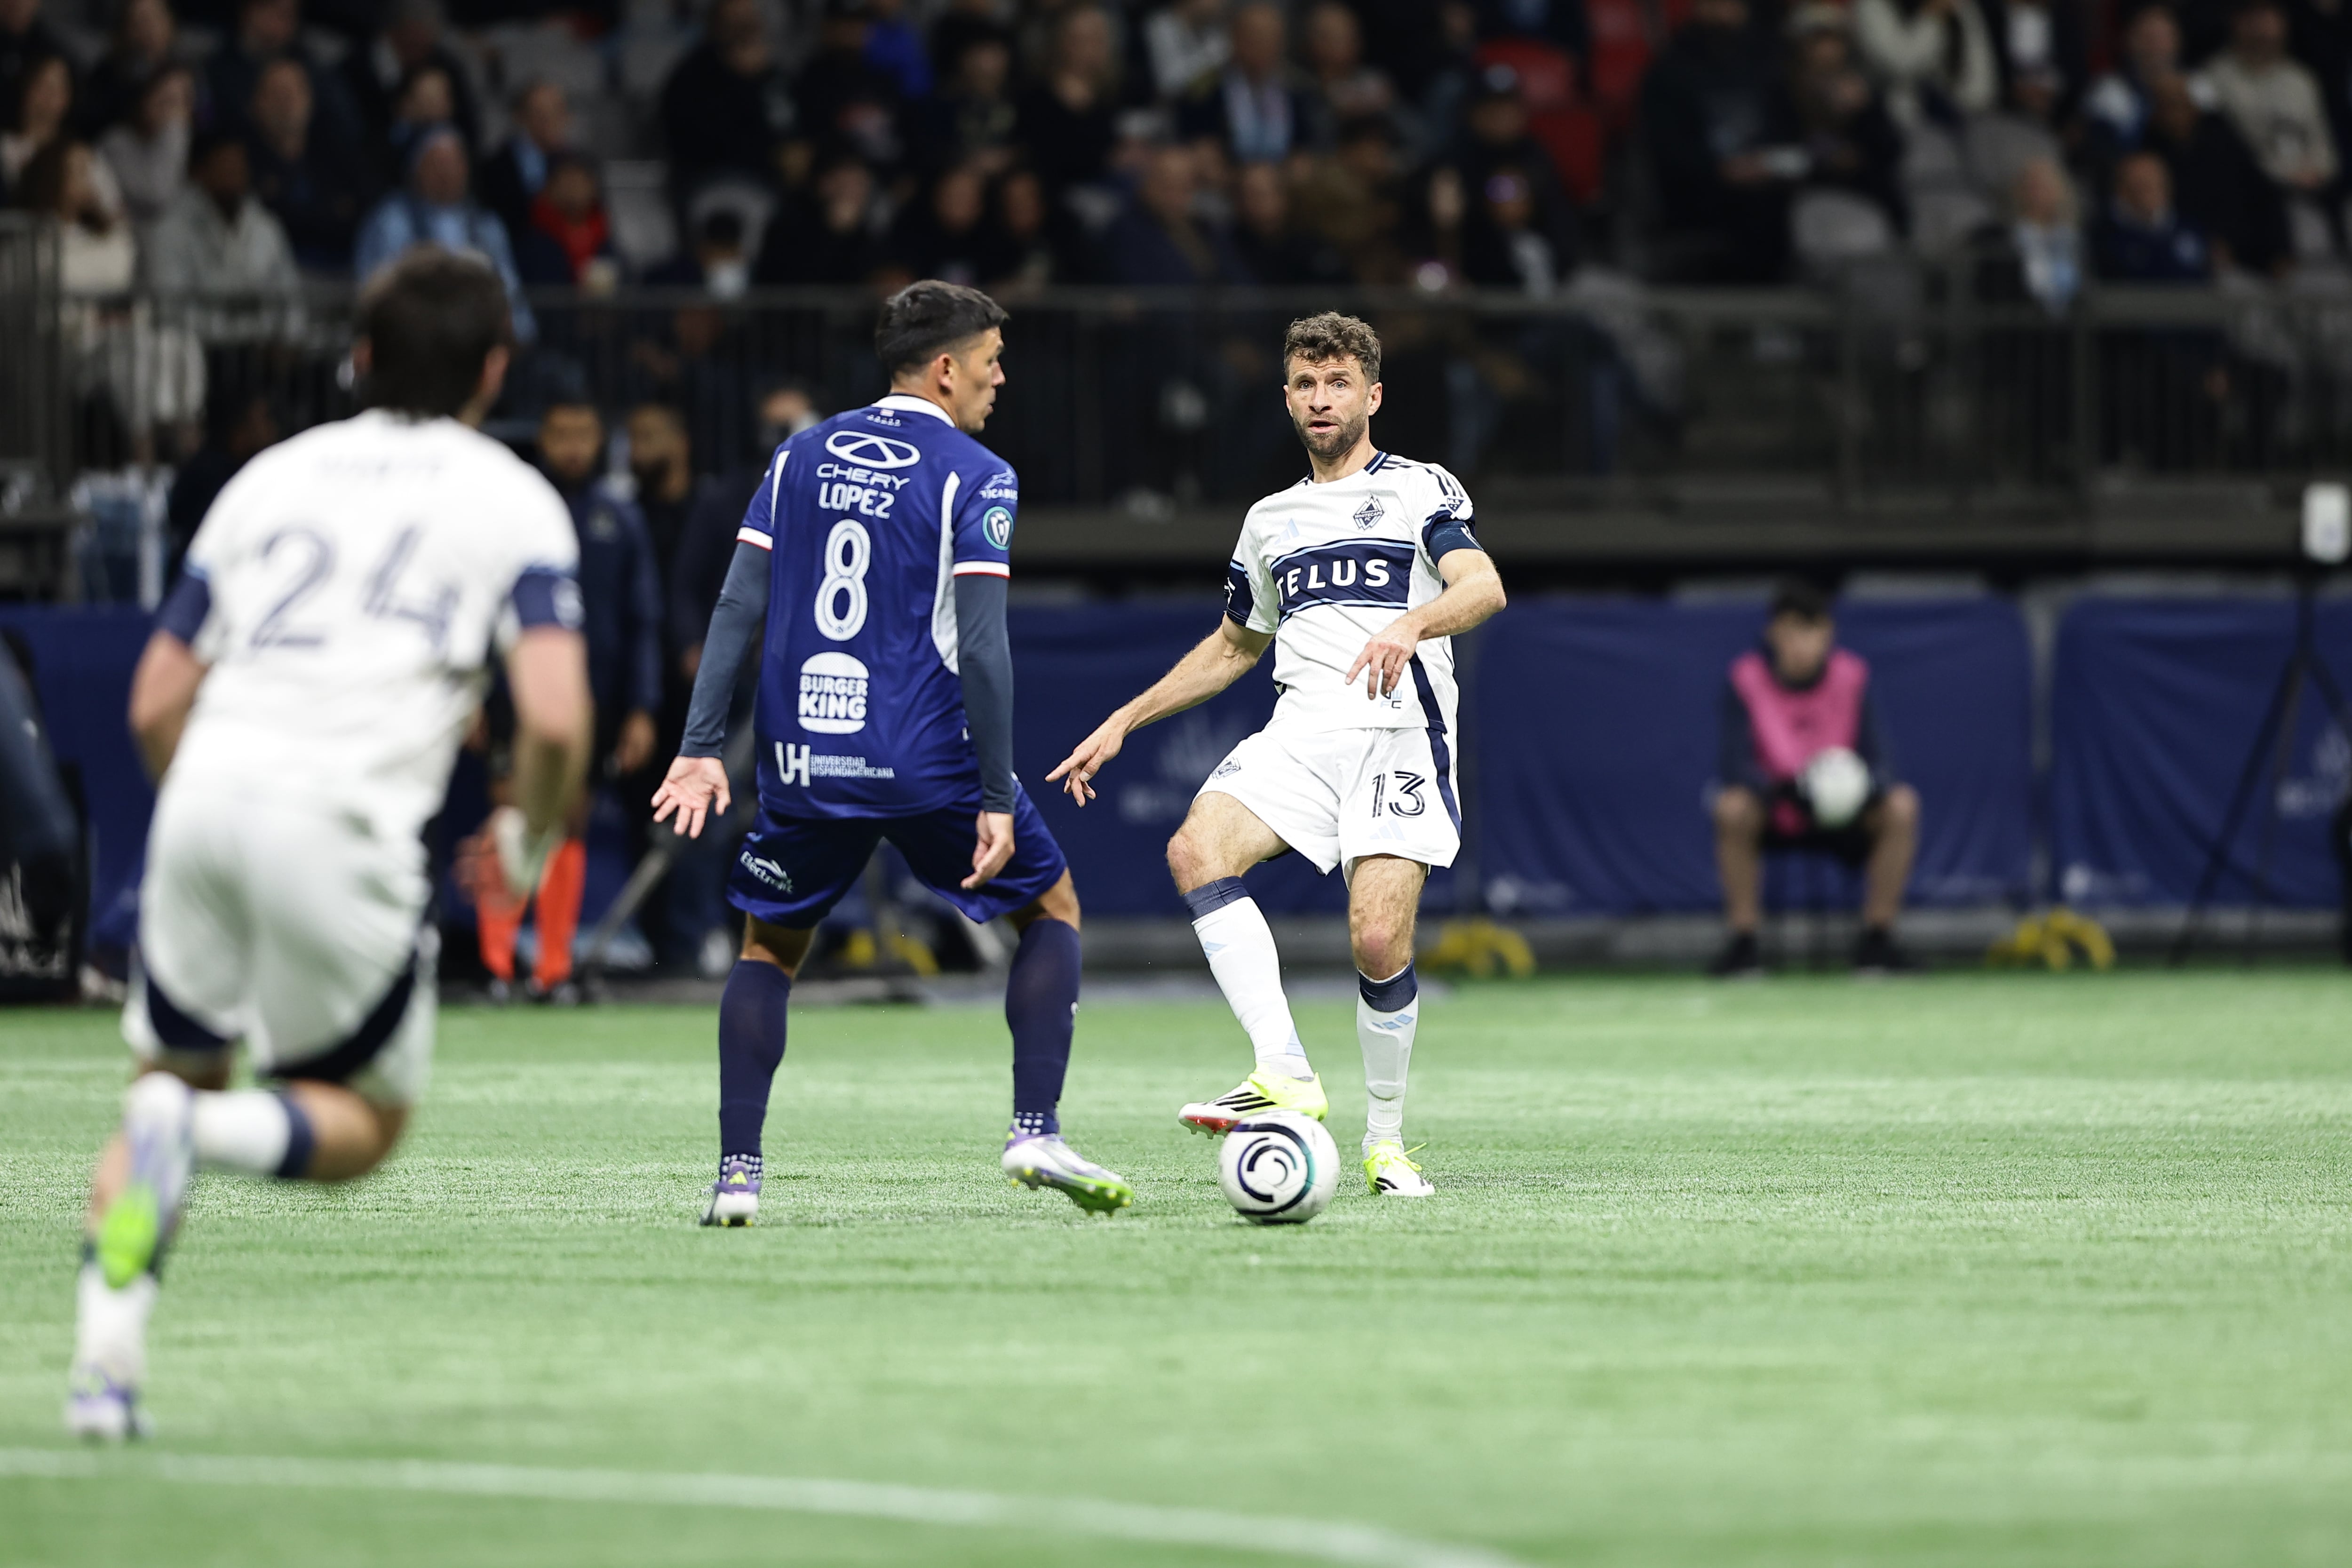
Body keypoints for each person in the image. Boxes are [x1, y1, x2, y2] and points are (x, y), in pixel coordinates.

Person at [63, 249, 591, 1440]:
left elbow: (155, 699)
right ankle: (186, 1135)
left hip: (202, 794)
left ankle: (104, 1370)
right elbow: (555, 716)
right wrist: (526, 832)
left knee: (164, 1078)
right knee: (360, 1125)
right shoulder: (511, 497)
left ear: (358, 356)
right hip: (343, 821)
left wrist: (207, 803)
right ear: (494, 370)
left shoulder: (268, 478)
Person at [650, 280, 1132, 1224]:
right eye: (991, 361)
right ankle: (1033, 1126)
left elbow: (737, 605)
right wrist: (996, 791)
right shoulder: (976, 472)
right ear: (946, 369)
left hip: (800, 759)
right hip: (923, 758)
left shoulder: (796, 455)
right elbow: (985, 647)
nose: (1001, 379)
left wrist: (702, 745)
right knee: (1053, 909)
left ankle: (736, 1177)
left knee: (768, 948)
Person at [1049, 312, 1509, 1198]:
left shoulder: (1421, 489)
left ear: (1373, 395)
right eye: (1305, 383)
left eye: (1338, 382)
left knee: (1377, 939)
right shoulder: (1270, 520)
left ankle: (1386, 1140)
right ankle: (1285, 1068)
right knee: (1195, 849)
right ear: (1288, 397)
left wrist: (1411, 623)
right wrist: (1125, 718)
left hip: (1397, 731)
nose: (1321, 398)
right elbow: (1232, 646)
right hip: (1301, 732)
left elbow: (1482, 585)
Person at [470, 400, 660, 1003]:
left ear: (601, 438)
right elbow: (477, 607)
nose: (573, 446)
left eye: (584, 433)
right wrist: (474, 692)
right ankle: (498, 968)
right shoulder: (513, 512)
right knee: (510, 815)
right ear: (542, 439)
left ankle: (552, 970)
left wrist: (641, 707)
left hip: (594, 695)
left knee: (571, 820)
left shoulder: (618, 516)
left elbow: (642, 619)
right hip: (512, 691)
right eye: (561, 435)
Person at [1708, 579, 1921, 978]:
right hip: (1776, 809)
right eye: (1790, 632)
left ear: (1828, 634)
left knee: (1903, 806)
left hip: (1846, 815)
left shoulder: (1853, 675)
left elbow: (1883, 765)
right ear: (1773, 633)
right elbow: (1734, 765)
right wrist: (1787, 790)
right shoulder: (1746, 678)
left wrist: (1855, 790)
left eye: (1811, 631)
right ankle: (1744, 944)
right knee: (1731, 807)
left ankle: (1877, 941)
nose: (1801, 644)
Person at [355, 127, 533, 340]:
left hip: (477, 341)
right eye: (437, 163)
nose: (447, 173)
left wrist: (517, 331)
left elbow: (509, 287)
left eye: (455, 163)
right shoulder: (392, 220)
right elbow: (376, 288)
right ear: (416, 169)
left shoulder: (487, 225)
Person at [97, 63, 194, 230]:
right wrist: (175, 133)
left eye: (179, 104)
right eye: (166, 101)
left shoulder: (186, 148)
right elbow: (157, 195)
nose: (171, 114)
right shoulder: (116, 143)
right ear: (145, 98)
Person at [476, 80, 570, 242]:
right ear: (520, 117)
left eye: (557, 111)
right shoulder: (496, 168)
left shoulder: (576, 165)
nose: (550, 121)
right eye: (540, 113)